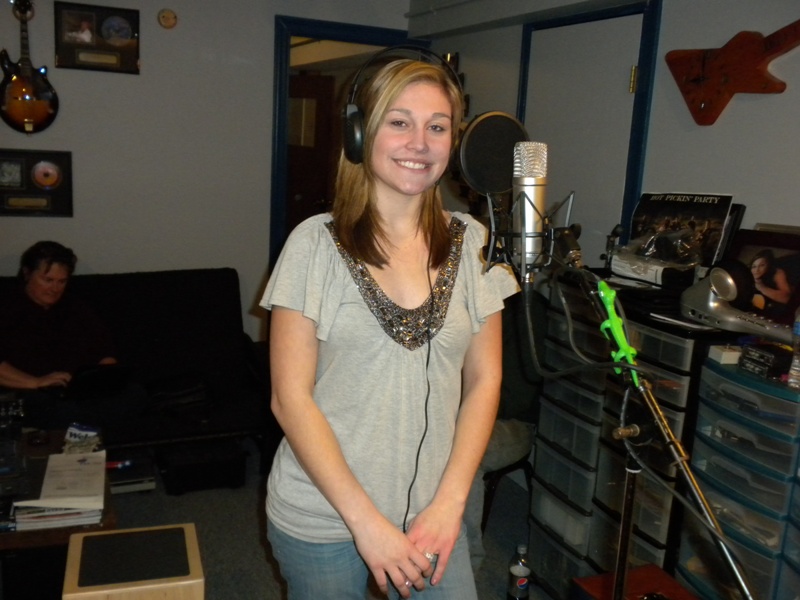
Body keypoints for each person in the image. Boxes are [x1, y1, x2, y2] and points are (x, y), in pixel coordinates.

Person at [260, 53, 518, 600]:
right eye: (399, 122)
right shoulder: (313, 244)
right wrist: (368, 525)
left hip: (434, 516)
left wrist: (449, 504)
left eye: (437, 127)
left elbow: (485, 381)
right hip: (325, 515)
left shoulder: (476, 243)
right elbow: (290, 399)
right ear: (360, 134)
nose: (419, 143)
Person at [0, 241, 132, 429]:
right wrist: (36, 382)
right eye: (48, 280)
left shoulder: (75, 307)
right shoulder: (7, 308)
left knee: (133, 394)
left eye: (61, 281)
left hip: (77, 390)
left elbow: (104, 351)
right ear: (27, 273)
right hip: (30, 390)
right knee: (61, 409)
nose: (55, 288)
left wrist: (104, 379)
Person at [750, 249, 793, 319]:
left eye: (762, 265)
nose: (757, 270)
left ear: (769, 265)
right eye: (754, 266)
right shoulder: (747, 274)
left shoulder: (777, 272)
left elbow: (786, 298)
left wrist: (761, 287)